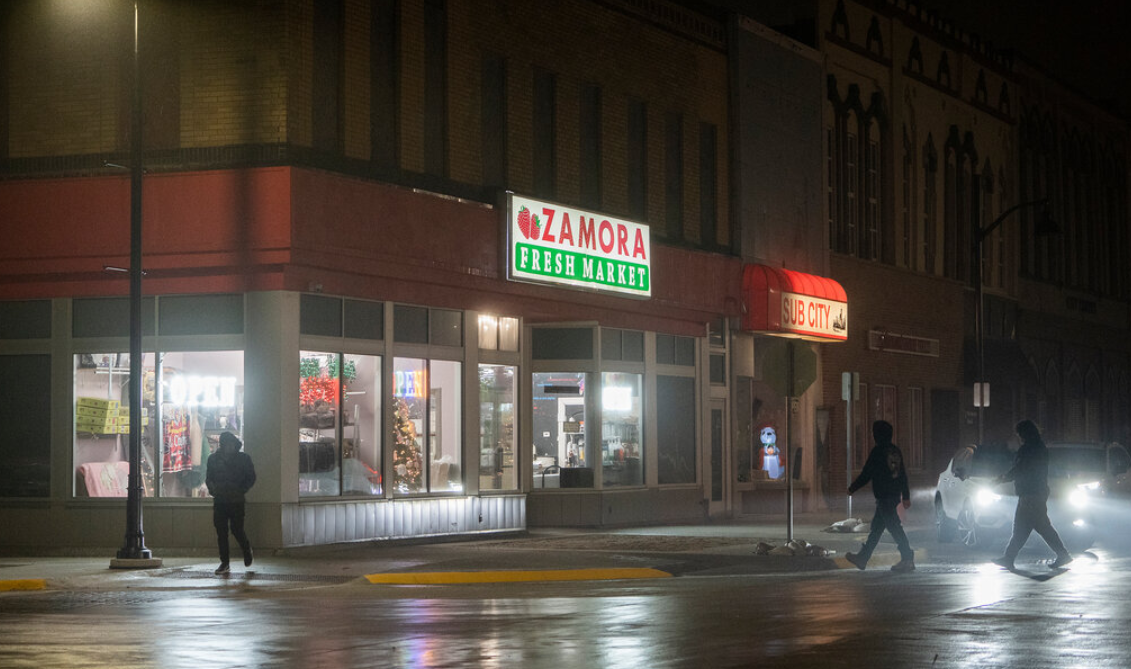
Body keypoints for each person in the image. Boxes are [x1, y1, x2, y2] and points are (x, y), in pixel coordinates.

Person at [991, 420, 1072, 570]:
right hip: (1036, 492)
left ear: (1024, 433)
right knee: (1023, 528)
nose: (1018, 437)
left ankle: (1062, 554)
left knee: (1039, 527)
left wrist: (1001, 479)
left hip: (1030, 494)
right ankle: (1009, 558)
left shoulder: (1028, 449)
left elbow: (1020, 469)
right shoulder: (1040, 447)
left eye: (1019, 434)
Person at [845, 420, 915, 572]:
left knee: (894, 527)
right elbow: (902, 475)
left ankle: (907, 558)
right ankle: (863, 557)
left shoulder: (878, 451)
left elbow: (867, 473)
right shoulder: (895, 451)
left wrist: (852, 488)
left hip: (884, 496)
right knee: (877, 528)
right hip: (893, 495)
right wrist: (906, 495)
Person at [205, 431, 256, 575]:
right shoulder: (213, 459)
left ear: (235, 444)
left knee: (236, 529)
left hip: (236, 500)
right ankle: (225, 562)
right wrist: (214, 490)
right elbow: (209, 478)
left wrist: (241, 490)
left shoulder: (243, 459)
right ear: (222, 445)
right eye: (227, 445)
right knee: (221, 532)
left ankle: (246, 550)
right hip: (220, 500)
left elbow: (251, 477)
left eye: (231, 444)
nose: (229, 447)